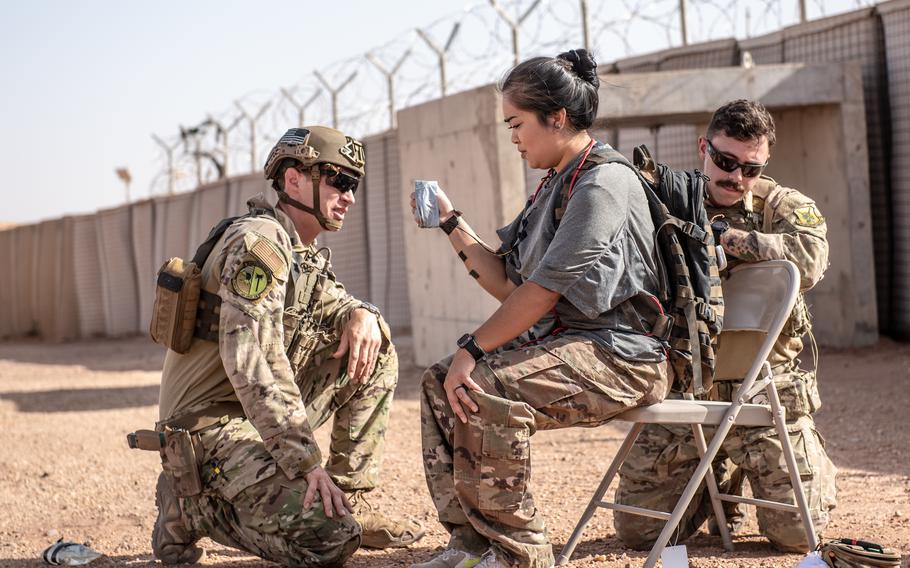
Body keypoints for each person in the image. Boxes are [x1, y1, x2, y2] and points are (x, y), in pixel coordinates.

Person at [410, 49, 670, 568]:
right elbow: (511, 285)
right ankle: (470, 544)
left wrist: (472, 348)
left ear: (556, 117)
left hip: (624, 356)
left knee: (484, 383)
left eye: (517, 123)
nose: (513, 137)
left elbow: (543, 292)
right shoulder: (556, 182)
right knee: (442, 383)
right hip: (575, 346)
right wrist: (448, 221)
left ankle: (519, 553)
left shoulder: (604, 183)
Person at [151, 126, 424, 566]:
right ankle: (190, 508)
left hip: (247, 416)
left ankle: (348, 497)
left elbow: (340, 304)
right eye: (338, 179)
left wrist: (364, 314)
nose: (349, 196)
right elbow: (251, 356)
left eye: (354, 184)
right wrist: (304, 461)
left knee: (376, 351)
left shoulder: (303, 252)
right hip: (208, 427)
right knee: (330, 541)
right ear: (294, 179)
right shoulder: (259, 243)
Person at [614, 99, 838, 552]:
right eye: (724, 161)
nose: (736, 177)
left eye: (750, 168)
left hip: (763, 387)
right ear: (704, 147)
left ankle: (770, 464)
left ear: (765, 163)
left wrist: (722, 240)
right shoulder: (668, 201)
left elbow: (811, 260)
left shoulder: (780, 206)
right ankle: (714, 475)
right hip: (689, 385)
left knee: (796, 536)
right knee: (639, 531)